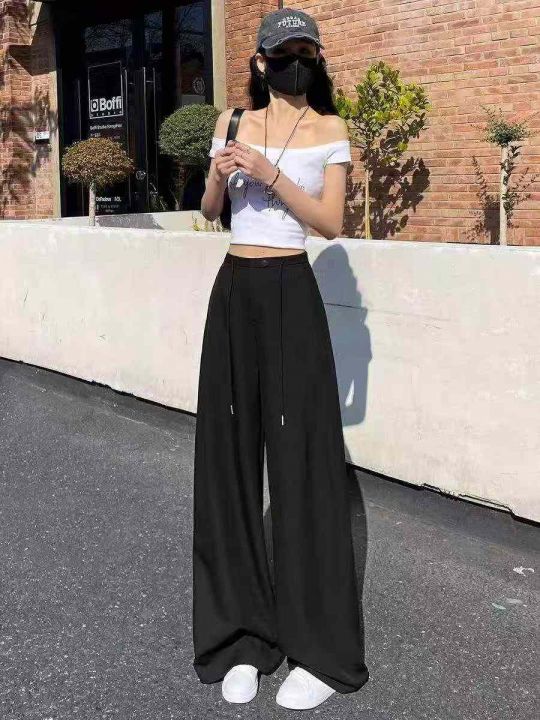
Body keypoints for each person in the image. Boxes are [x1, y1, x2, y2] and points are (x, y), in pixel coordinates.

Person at [193, 6, 369, 711]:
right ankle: (241, 637)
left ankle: (317, 649)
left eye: (307, 52)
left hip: (292, 291)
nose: (296, 63)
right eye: (284, 52)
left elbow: (330, 222)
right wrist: (219, 174)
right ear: (261, 62)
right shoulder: (232, 121)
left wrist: (269, 174)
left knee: (303, 470)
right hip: (234, 290)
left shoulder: (329, 129)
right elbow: (212, 211)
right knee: (229, 463)